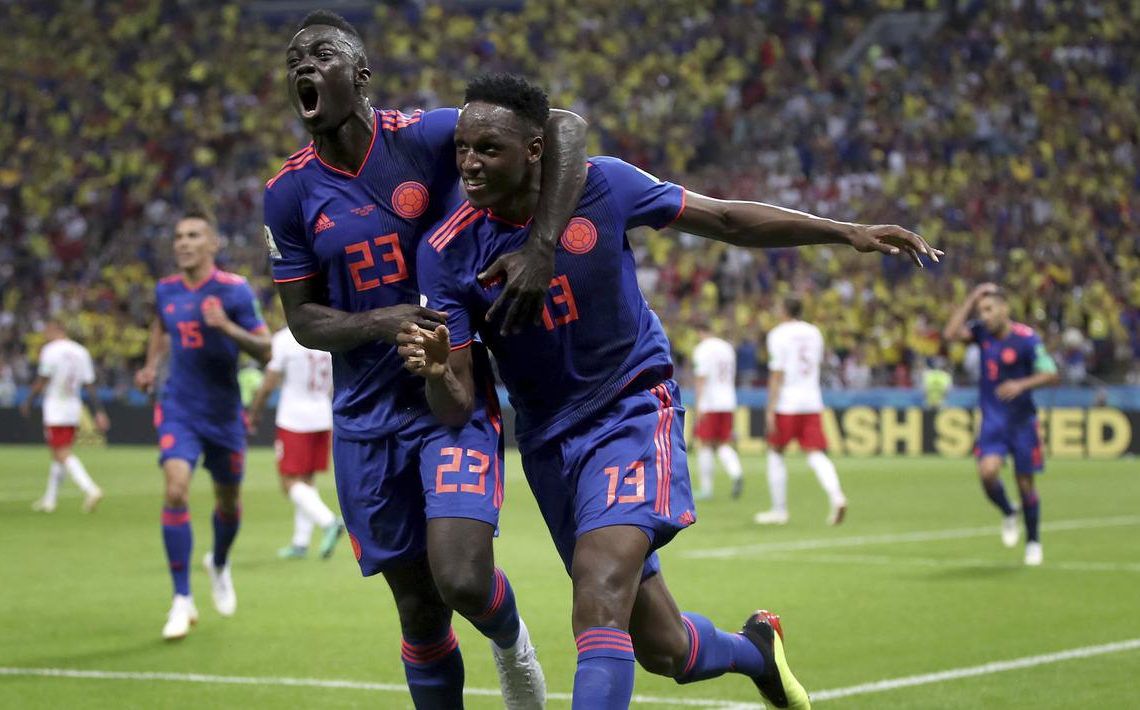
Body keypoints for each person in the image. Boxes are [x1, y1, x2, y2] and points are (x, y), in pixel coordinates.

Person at [399, 73, 938, 710]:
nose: (468, 163)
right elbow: (457, 407)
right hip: (547, 441)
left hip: (631, 407)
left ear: (535, 149)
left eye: (488, 148)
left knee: (597, 595)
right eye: (462, 147)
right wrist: (438, 371)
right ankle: (756, 651)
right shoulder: (446, 251)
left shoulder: (604, 186)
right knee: (664, 648)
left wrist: (841, 230)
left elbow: (727, 219)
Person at [263, 12, 588, 708]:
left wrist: (543, 244)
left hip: (451, 396)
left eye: (322, 53)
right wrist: (379, 321)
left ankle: (510, 644)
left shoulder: (426, 137)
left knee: (464, 579)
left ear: (361, 75)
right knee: (418, 610)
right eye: (294, 58)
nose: (304, 65)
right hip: (364, 420)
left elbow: (562, 126)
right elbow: (301, 321)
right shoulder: (288, 192)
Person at [134, 212, 272, 640]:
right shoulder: (165, 291)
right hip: (179, 406)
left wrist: (226, 326)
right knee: (175, 488)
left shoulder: (233, 291)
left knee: (227, 503)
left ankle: (220, 562)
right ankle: (181, 598)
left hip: (224, 412)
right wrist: (150, 366)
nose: (184, 243)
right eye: (178, 236)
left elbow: (266, 350)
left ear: (212, 244)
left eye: (193, 235)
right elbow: (160, 324)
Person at [943, 283, 1059, 566]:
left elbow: (1051, 373)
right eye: (981, 311)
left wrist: (1021, 383)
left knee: (1025, 483)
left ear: (1005, 308)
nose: (984, 316)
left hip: (1022, 423)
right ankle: (1009, 512)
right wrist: (971, 298)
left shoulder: (1027, 338)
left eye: (989, 309)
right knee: (987, 473)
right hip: (993, 422)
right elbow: (950, 334)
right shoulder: (982, 335)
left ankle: (1033, 541)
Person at [246, 326, 345, 560]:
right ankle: (300, 543)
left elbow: (270, 382)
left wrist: (254, 412)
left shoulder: (284, 339)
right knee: (306, 480)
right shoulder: (326, 334)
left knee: (288, 483)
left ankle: (329, 521)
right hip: (322, 414)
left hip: (294, 419)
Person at [756, 296, 848, 527]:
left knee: (775, 452)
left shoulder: (778, 335)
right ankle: (837, 496)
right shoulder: (815, 332)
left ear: (784, 310)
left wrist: (769, 409)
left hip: (787, 402)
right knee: (816, 453)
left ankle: (779, 511)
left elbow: (778, 373)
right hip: (812, 399)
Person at [21, 319, 109, 513]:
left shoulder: (51, 350)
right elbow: (90, 384)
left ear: (55, 329)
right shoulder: (81, 351)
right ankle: (49, 500)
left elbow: (43, 378)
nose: (45, 334)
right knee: (58, 454)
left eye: (46, 330)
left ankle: (90, 489)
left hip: (55, 406)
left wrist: (28, 401)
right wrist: (99, 411)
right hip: (73, 406)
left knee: (62, 454)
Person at [691, 324, 743, 499]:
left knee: (705, 444)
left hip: (710, 402)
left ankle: (706, 489)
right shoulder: (727, 348)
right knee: (722, 443)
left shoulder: (702, 349)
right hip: (728, 400)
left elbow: (700, 379)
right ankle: (736, 472)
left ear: (700, 332)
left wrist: (698, 404)